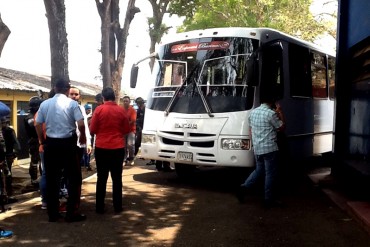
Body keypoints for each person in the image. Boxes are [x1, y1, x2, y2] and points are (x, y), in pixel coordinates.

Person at [35, 79, 87, 222]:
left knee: (52, 180)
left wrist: (42, 140)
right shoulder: (72, 104)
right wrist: (82, 136)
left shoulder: (45, 104)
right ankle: (71, 213)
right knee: (74, 179)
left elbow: (37, 123)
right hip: (68, 144)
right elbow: (81, 123)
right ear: (67, 90)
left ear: (55, 88)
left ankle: (53, 214)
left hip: (51, 144)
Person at [236, 96, 285, 208]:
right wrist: (280, 112)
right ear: (272, 102)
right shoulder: (271, 114)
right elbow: (282, 127)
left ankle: (243, 188)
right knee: (270, 174)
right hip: (270, 148)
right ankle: (268, 199)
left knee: (259, 170)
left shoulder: (253, 113)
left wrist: (255, 143)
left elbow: (250, 130)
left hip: (257, 148)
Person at [89, 87, 130, 214]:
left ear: (103, 97)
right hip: (117, 148)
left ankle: (99, 207)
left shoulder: (99, 110)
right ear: (114, 97)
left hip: (102, 148)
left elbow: (92, 130)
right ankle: (117, 207)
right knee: (117, 178)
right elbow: (126, 129)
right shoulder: (121, 111)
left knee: (101, 178)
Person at [24, 96, 43, 186]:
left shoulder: (37, 115)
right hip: (34, 140)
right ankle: (34, 179)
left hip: (40, 139)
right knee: (35, 161)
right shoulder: (29, 116)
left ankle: (42, 177)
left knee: (42, 161)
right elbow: (33, 125)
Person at [1, 117, 21, 197]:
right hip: (2, 155)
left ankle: (9, 193)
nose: (2, 124)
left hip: (8, 155)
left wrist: (14, 153)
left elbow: (16, 143)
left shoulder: (9, 131)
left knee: (7, 174)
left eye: (3, 123)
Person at [121, 96, 136, 166]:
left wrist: (125, 124)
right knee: (123, 146)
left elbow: (133, 120)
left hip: (131, 130)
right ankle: (124, 159)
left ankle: (131, 158)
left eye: (126, 101)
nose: (125, 102)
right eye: (124, 101)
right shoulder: (121, 109)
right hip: (123, 131)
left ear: (129, 102)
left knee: (130, 144)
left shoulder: (132, 110)